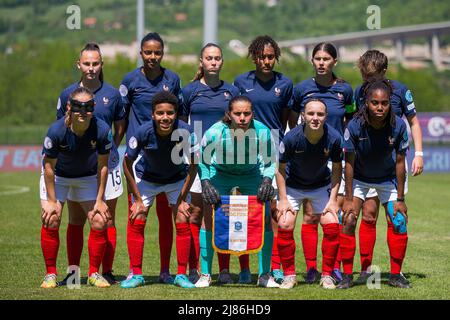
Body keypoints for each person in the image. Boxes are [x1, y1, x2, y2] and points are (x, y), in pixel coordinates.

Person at [55, 43, 126, 286]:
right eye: (87, 63)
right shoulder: (67, 94)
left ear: (101, 65)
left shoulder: (113, 94)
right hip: (78, 168)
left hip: (108, 165)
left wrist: (108, 151)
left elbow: (120, 128)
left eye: (95, 63)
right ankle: (73, 274)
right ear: (79, 64)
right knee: (75, 219)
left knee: (107, 218)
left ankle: (106, 271)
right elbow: (62, 128)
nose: (91, 68)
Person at [353, 50, 424, 284]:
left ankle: (396, 273)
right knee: (369, 217)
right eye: (365, 76)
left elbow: (413, 122)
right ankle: (365, 271)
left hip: (393, 168)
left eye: (371, 77)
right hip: (365, 168)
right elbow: (352, 125)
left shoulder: (401, 91)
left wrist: (419, 154)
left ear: (384, 72)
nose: (367, 82)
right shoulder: (359, 92)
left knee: (397, 219)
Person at [290, 42, 354, 284]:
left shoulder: (345, 90)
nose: (321, 62)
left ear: (334, 62)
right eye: (317, 58)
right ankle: (312, 269)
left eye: (326, 58)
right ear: (312, 61)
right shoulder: (301, 89)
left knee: (331, 214)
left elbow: (349, 121)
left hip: (334, 157)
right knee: (309, 216)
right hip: (309, 157)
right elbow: (294, 122)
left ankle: (333, 268)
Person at [120, 32, 182, 284]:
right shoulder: (130, 80)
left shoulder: (172, 79)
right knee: (137, 214)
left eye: (157, 52)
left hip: (168, 156)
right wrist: (117, 146)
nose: (152, 57)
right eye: (148, 52)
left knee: (168, 218)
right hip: (139, 158)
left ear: (162, 53)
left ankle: (166, 271)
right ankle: (135, 272)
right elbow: (121, 118)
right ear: (141, 53)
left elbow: (181, 115)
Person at [199, 95, 280, 288]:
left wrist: (267, 179)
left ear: (252, 113)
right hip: (221, 173)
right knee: (208, 216)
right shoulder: (215, 132)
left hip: (251, 173)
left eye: (247, 113)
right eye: (237, 113)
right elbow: (203, 161)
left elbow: (269, 162)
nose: (242, 118)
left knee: (266, 218)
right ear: (229, 114)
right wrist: (206, 183)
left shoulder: (262, 131)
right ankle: (205, 274)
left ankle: (264, 275)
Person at [121, 91, 198, 289]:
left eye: (170, 113)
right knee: (137, 217)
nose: (165, 117)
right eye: (160, 113)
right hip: (147, 179)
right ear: (153, 114)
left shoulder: (187, 131)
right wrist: (137, 198)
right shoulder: (142, 132)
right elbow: (126, 163)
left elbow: (194, 165)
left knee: (182, 217)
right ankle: (136, 274)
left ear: (176, 113)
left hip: (175, 179)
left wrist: (181, 199)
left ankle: (181, 274)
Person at [338, 79, 410, 289]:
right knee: (349, 219)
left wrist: (401, 198)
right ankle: (347, 275)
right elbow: (348, 164)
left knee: (399, 221)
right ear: (366, 103)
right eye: (375, 103)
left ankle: (396, 275)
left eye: (384, 103)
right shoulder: (354, 126)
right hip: (359, 177)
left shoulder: (399, 126)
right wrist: (349, 198)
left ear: (390, 104)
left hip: (387, 179)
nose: (380, 107)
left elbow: (400, 163)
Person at [233, 35, 293, 284]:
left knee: (272, 211)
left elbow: (288, 120)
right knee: (243, 212)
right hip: (244, 150)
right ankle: (244, 269)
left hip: (273, 151)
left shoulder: (285, 83)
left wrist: (285, 152)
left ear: (275, 57)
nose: (266, 61)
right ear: (254, 57)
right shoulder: (241, 81)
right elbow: (234, 115)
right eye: (262, 56)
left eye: (270, 57)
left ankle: (273, 267)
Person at [179, 43, 239, 286]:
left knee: (222, 213)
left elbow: (239, 125)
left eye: (217, 58)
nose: (213, 62)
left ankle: (224, 270)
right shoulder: (189, 91)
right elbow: (181, 126)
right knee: (195, 214)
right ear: (201, 62)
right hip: (196, 159)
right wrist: (187, 154)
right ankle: (197, 268)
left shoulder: (231, 91)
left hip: (224, 160)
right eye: (209, 58)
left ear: (222, 62)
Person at [40, 87, 113, 288]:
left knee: (99, 219)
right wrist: (52, 201)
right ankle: (50, 274)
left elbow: (103, 166)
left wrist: (100, 200)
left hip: (87, 177)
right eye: (78, 106)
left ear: (94, 108)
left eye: (88, 107)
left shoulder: (102, 129)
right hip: (58, 177)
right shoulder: (56, 131)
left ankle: (93, 274)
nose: (83, 111)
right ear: (69, 107)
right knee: (52, 218)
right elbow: (48, 168)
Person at [276, 98, 342, 289]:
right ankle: (289, 275)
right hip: (293, 186)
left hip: (321, 185)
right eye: (311, 114)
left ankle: (327, 275)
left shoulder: (334, 138)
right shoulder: (291, 138)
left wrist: (333, 200)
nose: (315, 118)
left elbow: (337, 169)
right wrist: (282, 199)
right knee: (284, 222)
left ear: (326, 117)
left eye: (320, 114)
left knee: (331, 222)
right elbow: (279, 169)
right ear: (303, 116)